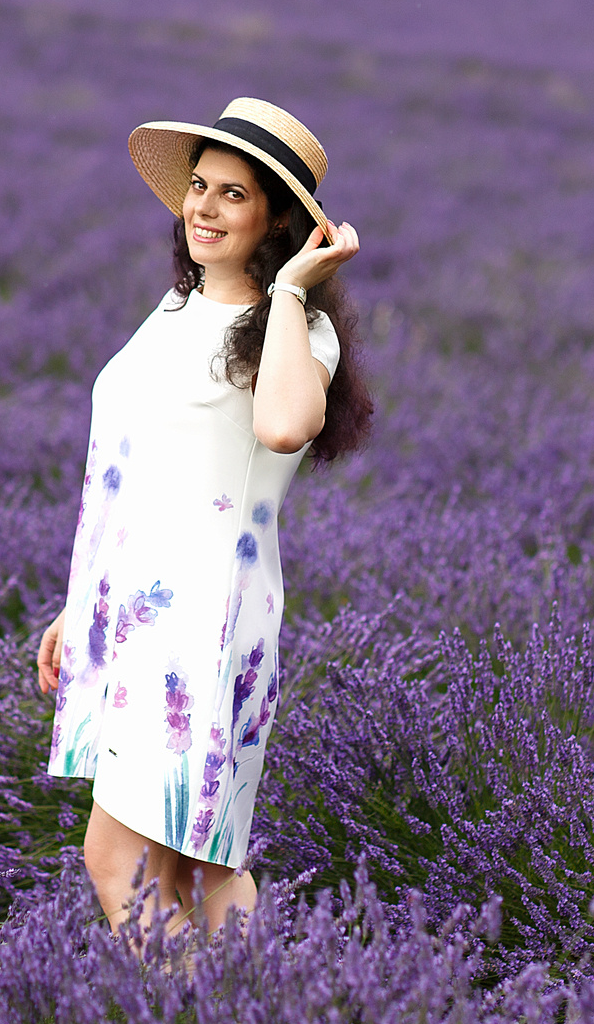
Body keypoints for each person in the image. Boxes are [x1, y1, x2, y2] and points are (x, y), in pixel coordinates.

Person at [36, 97, 375, 942]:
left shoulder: (300, 332)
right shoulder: (176, 310)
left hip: (202, 618)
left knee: (121, 860)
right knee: (196, 863)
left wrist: (294, 290)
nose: (203, 206)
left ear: (276, 220)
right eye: (199, 186)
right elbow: (139, 473)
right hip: (137, 609)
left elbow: (285, 426)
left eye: (233, 193)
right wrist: (83, 604)